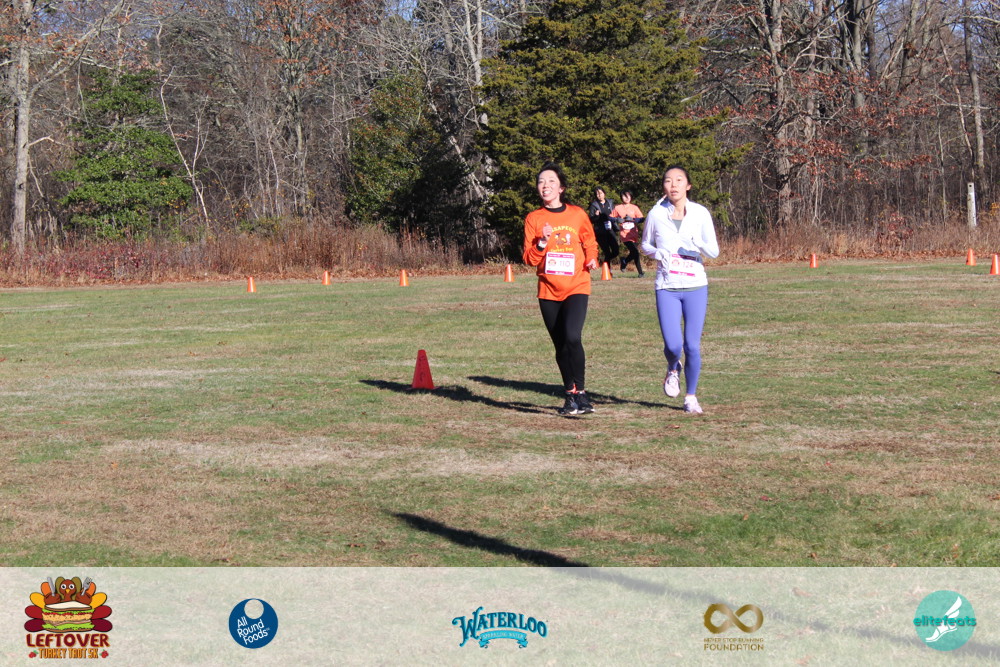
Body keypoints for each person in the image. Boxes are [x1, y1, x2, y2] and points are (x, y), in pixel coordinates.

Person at [640, 166, 719, 415]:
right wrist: (657, 253)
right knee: (674, 345)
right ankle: (673, 367)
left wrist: (697, 243)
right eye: (668, 181)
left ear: (688, 185)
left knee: (692, 346)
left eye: (679, 180)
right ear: (663, 186)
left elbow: (714, 251)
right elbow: (644, 244)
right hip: (667, 286)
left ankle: (691, 397)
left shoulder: (700, 213)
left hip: (696, 285)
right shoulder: (656, 214)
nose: (673, 185)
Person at [524, 163, 600, 415]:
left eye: (551, 181)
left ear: (561, 188)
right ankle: (570, 395)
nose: (545, 186)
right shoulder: (534, 218)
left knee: (572, 337)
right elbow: (529, 259)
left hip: (577, 284)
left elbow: (589, 241)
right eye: (541, 181)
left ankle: (583, 393)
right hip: (548, 290)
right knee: (560, 344)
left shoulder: (577, 214)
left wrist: (592, 258)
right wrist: (542, 242)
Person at [611, 190, 645, 276]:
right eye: (624, 196)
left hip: (634, 234)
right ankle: (640, 272)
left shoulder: (634, 208)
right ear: (621, 197)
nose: (626, 198)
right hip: (624, 234)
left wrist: (633, 219)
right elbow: (610, 217)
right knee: (635, 252)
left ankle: (625, 261)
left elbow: (642, 219)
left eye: (628, 196)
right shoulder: (618, 208)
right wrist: (616, 219)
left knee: (634, 253)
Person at [588, 187, 619, 270]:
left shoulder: (610, 203)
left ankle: (605, 262)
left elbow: (615, 214)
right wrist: (596, 216)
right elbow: (591, 220)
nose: (599, 195)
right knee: (607, 252)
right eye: (597, 194)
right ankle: (608, 271)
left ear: (604, 193)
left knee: (616, 251)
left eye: (601, 193)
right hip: (600, 232)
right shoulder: (594, 205)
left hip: (610, 230)